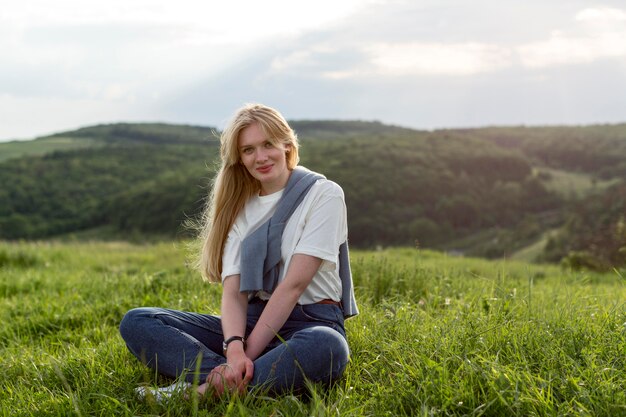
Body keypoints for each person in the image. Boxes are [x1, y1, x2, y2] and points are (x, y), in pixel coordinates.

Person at [119, 103, 358, 399]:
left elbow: (293, 286)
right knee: (139, 321)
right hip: (251, 324)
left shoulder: (324, 194)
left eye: (268, 144)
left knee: (327, 346)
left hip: (309, 322)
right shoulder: (240, 207)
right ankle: (245, 381)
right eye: (248, 150)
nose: (261, 157)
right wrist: (234, 350)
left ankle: (201, 392)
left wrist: (246, 355)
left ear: (286, 144)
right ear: (240, 158)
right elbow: (234, 293)